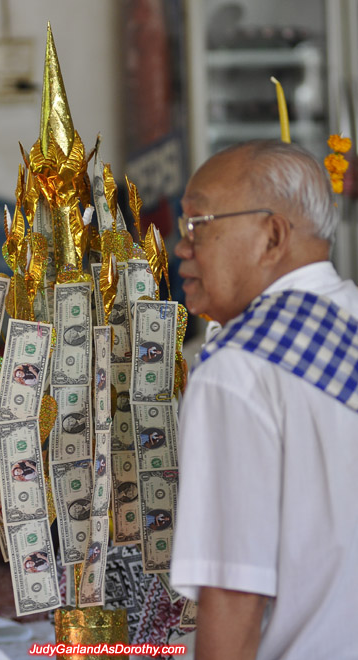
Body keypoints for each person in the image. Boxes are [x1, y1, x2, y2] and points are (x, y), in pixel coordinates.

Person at [170, 139, 358, 660]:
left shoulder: (238, 368)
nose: (182, 247)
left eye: (198, 224)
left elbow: (234, 593)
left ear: (272, 236)